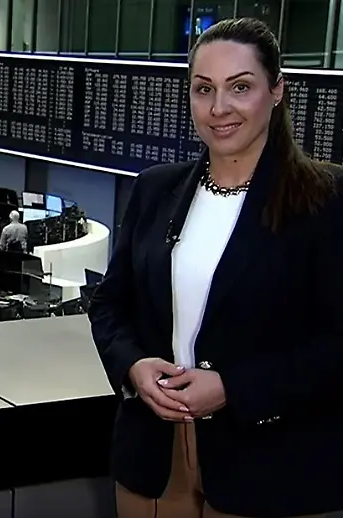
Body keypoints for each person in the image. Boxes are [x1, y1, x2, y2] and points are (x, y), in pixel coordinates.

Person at [89, 18, 343, 518]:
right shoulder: (155, 189)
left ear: (277, 91)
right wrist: (134, 366)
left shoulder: (327, 201)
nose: (219, 108)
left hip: (269, 463)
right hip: (154, 455)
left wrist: (234, 388)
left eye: (240, 87)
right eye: (204, 89)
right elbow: (110, 304)